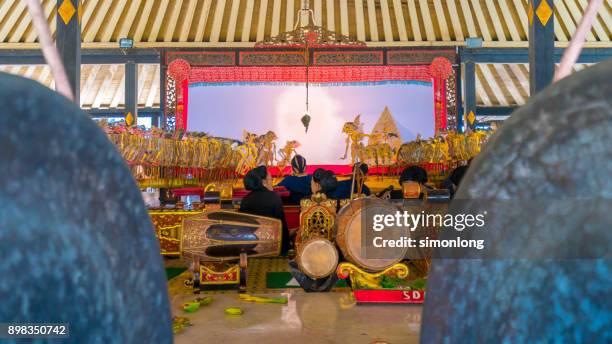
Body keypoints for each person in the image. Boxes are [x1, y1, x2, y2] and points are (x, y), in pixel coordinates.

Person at [239, 166, 290, 254]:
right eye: (270, 180)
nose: (272, 183)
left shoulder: (245, 200)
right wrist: (286, 249)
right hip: (273, 248)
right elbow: (282, 227)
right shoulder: (274, 197)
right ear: (264, 182)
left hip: (251, 249)